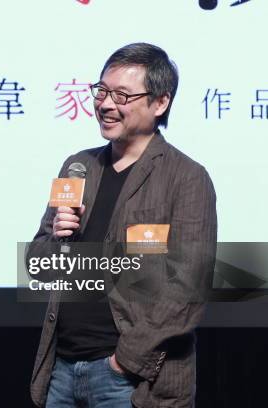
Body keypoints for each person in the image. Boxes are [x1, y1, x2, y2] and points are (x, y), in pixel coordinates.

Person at [29, 43, 217, 407]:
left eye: (121, 95)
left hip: (131, 382)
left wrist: (124, 362)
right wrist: (57, 239)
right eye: (101, 91)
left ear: (160, 103)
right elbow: (37, 267)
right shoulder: (77, 166)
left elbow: (188, 289)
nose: (105, 104)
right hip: (61, 371)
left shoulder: (187, 178)